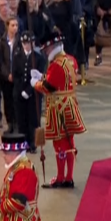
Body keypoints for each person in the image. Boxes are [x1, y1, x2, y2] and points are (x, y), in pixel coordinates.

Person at [31, 34, 87, 188]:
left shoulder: (56, 64)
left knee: (60, 143)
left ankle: (62, 177)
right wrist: (43, 77)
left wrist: (36, 83)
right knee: (69, 142)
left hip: (58, 108)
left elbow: (48, 87)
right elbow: (58, 80)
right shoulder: (70, 60)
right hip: (70, 104)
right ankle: (69, 176)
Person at [11, 31, 42, 147]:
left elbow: (38, 76)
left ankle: (32, 142)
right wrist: (21, 91)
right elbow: (16, 75)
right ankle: (23, 142)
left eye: (28, 43)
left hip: (33, 93)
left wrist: (29, 91)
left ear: (33, 43)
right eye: (24, 43)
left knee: (33, 119)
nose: (26, 45)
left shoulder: (38, 58)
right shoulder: (17, 56)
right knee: (21, 119)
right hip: (19, 92)